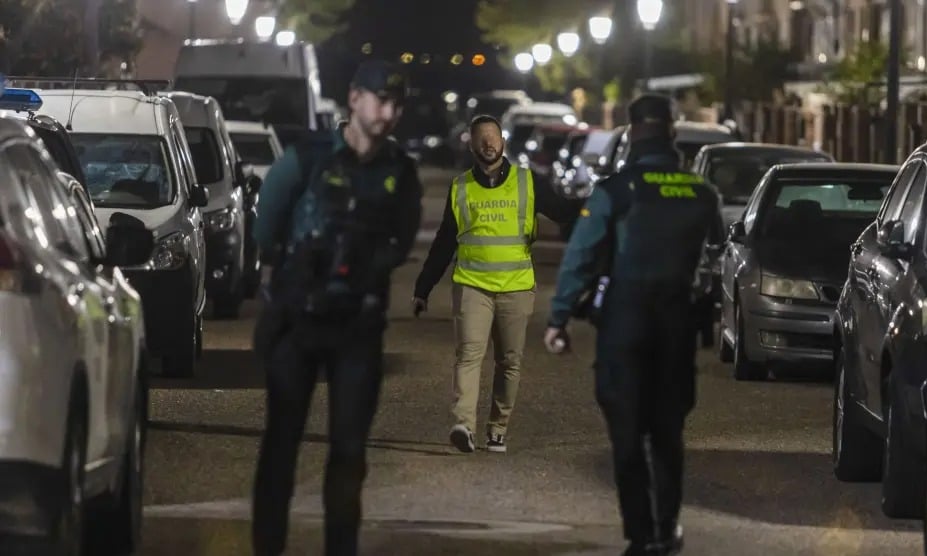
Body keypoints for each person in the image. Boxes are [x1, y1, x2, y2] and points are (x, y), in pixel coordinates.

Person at [249, 59, 422, 556]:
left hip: (356, 329)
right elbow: (266, 226)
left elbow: (402, 239)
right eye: (380, 100)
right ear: (354, 99)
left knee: (348, 452)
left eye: (396, 105)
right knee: (281, 445)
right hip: (297, 322)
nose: (387, 113)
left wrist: (364, 262)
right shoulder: (308, 159)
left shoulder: (399, 172)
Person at [543, 93, 722, 556]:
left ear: (631, 133)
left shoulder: (616, 191)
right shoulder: (701, 193)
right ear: (672, 132)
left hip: (625, 318)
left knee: (626, 433)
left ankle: (640, 535)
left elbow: (581, 255)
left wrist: (559, 317)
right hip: (676, 322)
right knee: (667, 433)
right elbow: (718, 255)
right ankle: (667, 529)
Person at [411, 114, 580, 454]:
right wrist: (422, 288)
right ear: (471, 144)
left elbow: (564, 211)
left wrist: (601, 203)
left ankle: (497, 428)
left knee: (509, 361)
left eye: (494, 137)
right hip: (472, 285)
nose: (488, 143)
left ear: (503, 141)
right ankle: (463, 425)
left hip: (516, 287)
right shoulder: (460, 187)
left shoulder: (528, 182)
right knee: (468, 355)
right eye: (481, 138)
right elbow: (445, 241)